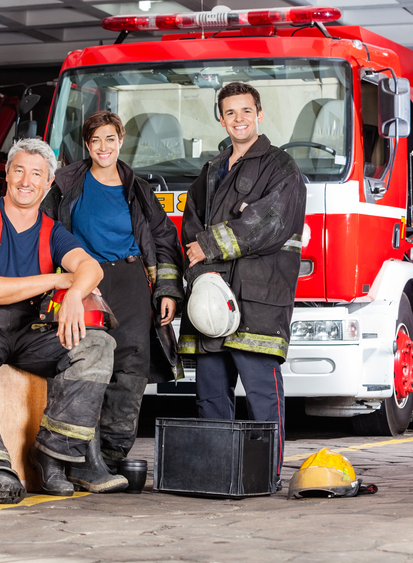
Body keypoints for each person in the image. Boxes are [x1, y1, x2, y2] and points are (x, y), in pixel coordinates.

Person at [0, 138, 127, 505]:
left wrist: (72, 295)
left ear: (48, 183)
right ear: (6, 175)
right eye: (19, 170)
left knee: (98, 345)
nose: (26, 180)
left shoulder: (52, 231)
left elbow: (91, 268)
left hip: (27, 327)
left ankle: (55, 452)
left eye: (36, 174)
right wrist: (57, 280)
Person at [42, 110, 183, 475]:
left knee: (131, 369)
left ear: (120, 141)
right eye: (95, 140)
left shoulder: (137, 189)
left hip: (131, 280)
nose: (103, 147)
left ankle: (114, 454)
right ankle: (79, 455)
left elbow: (165, 239)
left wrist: (167, 289)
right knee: (90, 363)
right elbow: (43, 234)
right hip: (86, 282)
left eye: (110, 139)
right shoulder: (67, 185)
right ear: (87, 146)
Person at [180, 81, 306, 478]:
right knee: (211, 398)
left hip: (258, 302)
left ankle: (264, 475)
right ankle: (217, 474)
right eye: (230, 113)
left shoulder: (281, 167)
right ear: (221, 119)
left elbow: (270, 222)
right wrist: (202, 274)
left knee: (262, 398)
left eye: (246, 111)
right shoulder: (211, 171)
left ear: (260, 115)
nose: (239, 119)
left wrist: (208, 247)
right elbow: (190, 228)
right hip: (212, 303)